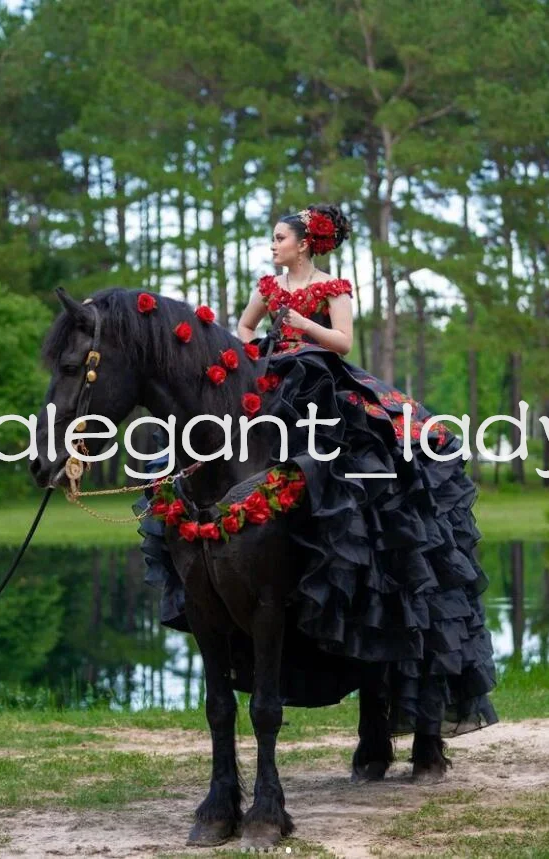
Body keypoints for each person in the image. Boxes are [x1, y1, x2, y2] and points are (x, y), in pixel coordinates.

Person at [135, 203, 498, 738]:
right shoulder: (268, 286)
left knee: (361, 450)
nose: (274, 245)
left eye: (280, 238)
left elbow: (344, 343)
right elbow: (242, 326)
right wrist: (253, 346)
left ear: (304, 244)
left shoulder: (334, 288)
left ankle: (360, 536)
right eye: (274, 238)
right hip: (268, 375)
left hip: (320, 380)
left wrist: (305, 327)